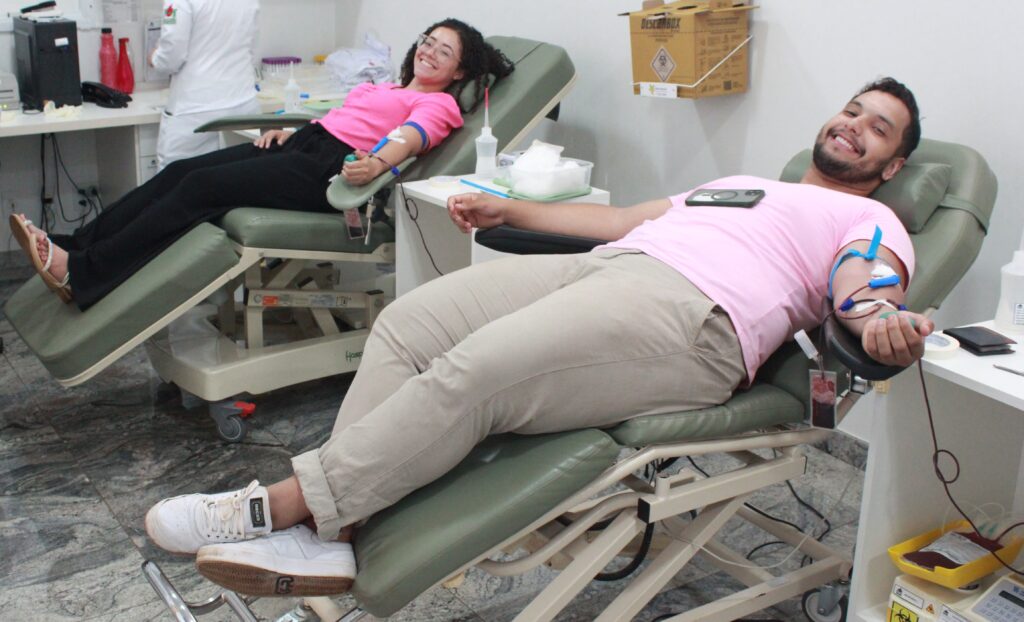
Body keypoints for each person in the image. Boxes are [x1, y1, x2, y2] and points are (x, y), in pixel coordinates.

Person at [142, 78, 934, 597]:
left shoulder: (871, 219)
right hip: (610, 268)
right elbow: (622, 222)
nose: (856, 126)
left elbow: (864, 290)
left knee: (479, 372)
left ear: (892, 163)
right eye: (853, 110)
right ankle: (336, 533)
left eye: (878, 128)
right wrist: (510, 211)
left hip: (693, 320)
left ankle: (281, 511)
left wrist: (879, 325)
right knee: (410, 323)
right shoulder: (745, 183)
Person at [9, 18, 513, 309]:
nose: (428, 52)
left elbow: (409, 137)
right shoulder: (386, 85)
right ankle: (73, 245)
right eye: (427, 41)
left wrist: (377, 162)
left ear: (460, 70)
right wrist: (293, 132)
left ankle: (83, 273)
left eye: (442, 51)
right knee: (182, 171)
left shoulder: (439, 103)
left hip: (331, 173)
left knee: (201, 189)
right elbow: (342, 119)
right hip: (308, 145)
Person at [150, 0, 262, 170]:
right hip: (242, 106)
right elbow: (250, 48)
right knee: (239, 186)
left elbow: (170, 58)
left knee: (176, 186)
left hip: (194, 112)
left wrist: (154, 58)